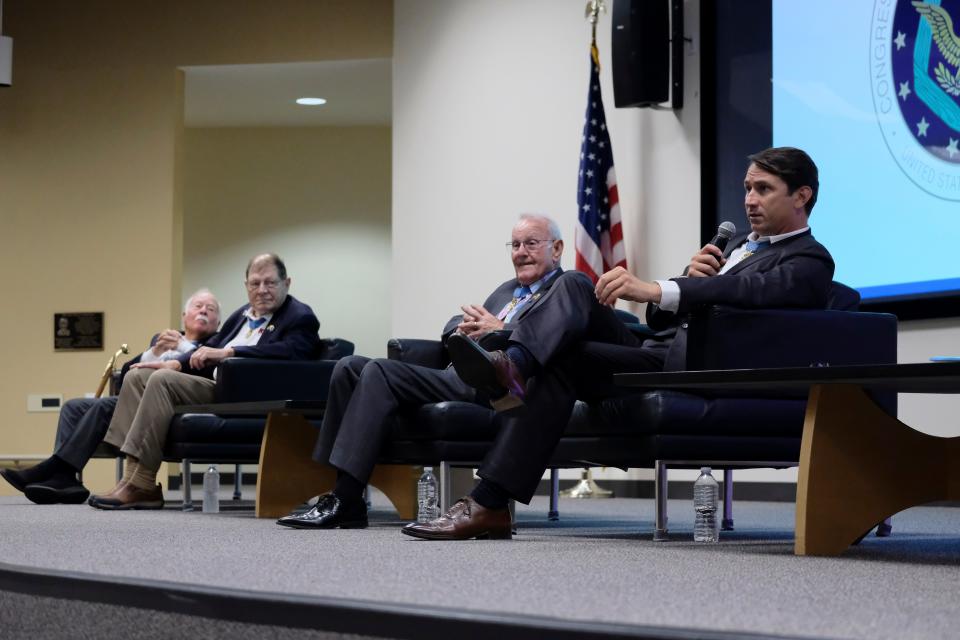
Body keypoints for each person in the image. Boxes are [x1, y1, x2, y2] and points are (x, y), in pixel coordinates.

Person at [403, 146, 835, 540]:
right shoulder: (734, 247)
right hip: (653, 353)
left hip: (699, 367)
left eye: (763, 189)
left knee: (562, 359)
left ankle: (488, 501)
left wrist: (667, 287)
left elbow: (750, 294)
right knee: (573, 282)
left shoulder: (809, 259)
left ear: (801, 196)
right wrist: (687, 281)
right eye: (747, 188)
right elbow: (658, 317)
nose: (749, 200)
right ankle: (513, 364)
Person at [274, 213, 590, 531]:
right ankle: (345, 495)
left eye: (531, 244)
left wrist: (502, 328)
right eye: (516, 244)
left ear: (558, 248)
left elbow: (553, 335)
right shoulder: (507, 290)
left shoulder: (564, 288)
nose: (520, 252)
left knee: (379, 372)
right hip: (457, 373)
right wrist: (463, 329)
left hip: (497, 384)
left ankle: (345, 498)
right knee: (348, 368)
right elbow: (457, 323)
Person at [88, 253, 321, 510]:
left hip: (247, 393)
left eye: (270, 283)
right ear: (246, 286)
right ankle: (132, 480)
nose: (262, 290)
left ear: (286, 283)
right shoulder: (242, 314)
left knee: (162, 380)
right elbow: (210, 346)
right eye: (255, 283)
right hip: (217, 385)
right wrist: (176, 363)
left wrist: (231, 353)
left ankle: (142, 481)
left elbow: (293, 352)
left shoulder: (300, 316)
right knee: (137, 376)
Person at [0, 290, 221, 504]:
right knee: (73, 407)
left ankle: (57, 471)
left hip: (168, 403)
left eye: (210, 309)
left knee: (102, 407)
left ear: (217, 323)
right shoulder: (163, 339)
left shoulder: (216, 343)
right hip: (135, 397)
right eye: (198, 306)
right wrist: (154, 352)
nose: (203, 311)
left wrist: (184, 347)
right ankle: (65, 478)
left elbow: (203, 372)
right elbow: (125, 375)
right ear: (184, 316)